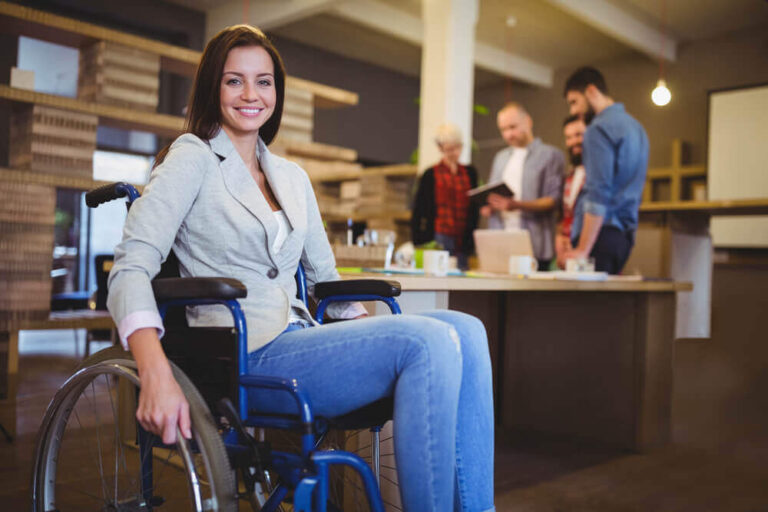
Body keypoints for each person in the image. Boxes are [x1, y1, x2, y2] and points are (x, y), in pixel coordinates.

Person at [106, 25, 494, 512]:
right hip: (246, 349)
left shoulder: (291, 176)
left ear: (277, 91)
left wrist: (365, 332)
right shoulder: (193, 159)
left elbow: (325, 281)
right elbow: (130, 268)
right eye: (234, 81)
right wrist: (155, 369)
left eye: (264, 81)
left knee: (467, 330)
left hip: (301, 336)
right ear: (212, 87)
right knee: (429, 341)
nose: (252, 94)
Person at [562, 67, 649, 274]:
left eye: (574, 102)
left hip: (599, 237)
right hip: (624, 238)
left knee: (584, 307)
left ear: (591, 91)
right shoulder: (637, 128)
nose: (573, 112)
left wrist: (583, 249)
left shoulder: (598, 129)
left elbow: (598, 193)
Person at [481, 102, 565, 271]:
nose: (508, 134)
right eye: (503, 129)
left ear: (528, 121)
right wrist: (488, 206)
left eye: (512, 127)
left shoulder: (550, 155)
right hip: (501, 240)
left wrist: (516, 205)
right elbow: (492, 193)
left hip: (535, 242)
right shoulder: (500, 158)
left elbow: (552, 200)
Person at [411, 123, 479, 270]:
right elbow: (419, 209)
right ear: (441, 148)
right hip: (439, 235)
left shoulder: (470, 173)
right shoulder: (430, 175)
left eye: (457, 147)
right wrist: (418, 240)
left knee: (461, 272)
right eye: (449, 149)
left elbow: (474, 206)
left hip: (462, 237)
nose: (454, 152)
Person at [555, 114, 587, 269]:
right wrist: (560, 237)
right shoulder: (569, 176)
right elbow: (565, 214)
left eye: (578, 135)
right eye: (568, 137)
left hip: (590, 251)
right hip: (568, 253)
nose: (573, 142)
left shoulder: (599, 175)